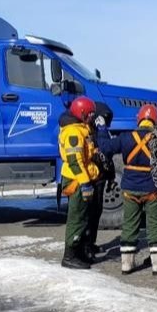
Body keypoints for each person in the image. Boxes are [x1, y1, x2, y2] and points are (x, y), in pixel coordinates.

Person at [100, 104, 157, 275]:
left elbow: (105, 147)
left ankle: (127, 264)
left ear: (139, 119)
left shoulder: (126, 137)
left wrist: (101, 128)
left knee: (130, 224)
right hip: (152, 188)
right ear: (155, 120)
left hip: (130, 188)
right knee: (155, 224)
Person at [58, 96, 100, 270]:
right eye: (89, 114)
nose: (92, 117)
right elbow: (75, 161)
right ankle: (69, 256)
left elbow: (87, 152)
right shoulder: (73, 133)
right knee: (77, 218)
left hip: (85, 178)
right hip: (77, 181)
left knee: (85, 218)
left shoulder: (83, 129)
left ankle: (81, 251)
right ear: (81, 113)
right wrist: (85, 184)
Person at [85, 101, 115, 261]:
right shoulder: (90, 132)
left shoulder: (102, 132)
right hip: (92, 178)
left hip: (101, 177)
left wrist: (110, 177)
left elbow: (108, 157)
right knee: (89, 213)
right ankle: (86, 246)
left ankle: (91, 242)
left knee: (96, 212)